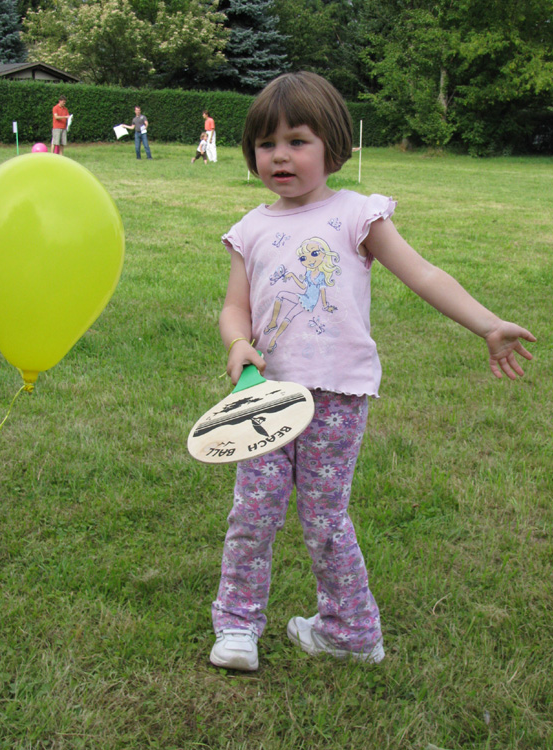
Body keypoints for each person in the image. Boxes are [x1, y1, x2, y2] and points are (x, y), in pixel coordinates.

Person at [208, 71, 536, 672]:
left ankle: (352, 632)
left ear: (333, 146)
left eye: (297, 141)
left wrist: (487, 324)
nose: (279, 155)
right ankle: (237, 627)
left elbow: (424, 274)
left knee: (325, 519)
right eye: (266, 143)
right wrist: (237, 343)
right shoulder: (251, 228)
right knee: (252, 513)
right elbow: (236, 306)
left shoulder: (358, 215)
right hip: (266, 398)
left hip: (336, 398)